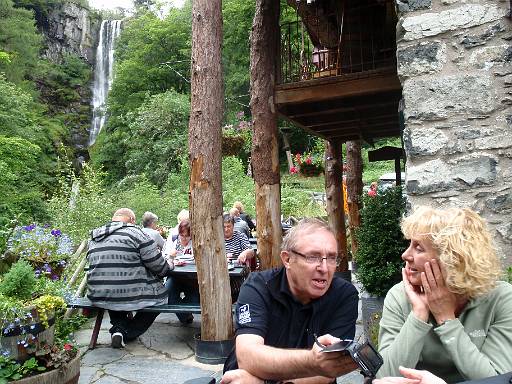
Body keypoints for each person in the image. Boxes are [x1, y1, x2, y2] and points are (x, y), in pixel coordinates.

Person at [377, 206, 512, 383]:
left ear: (452, 259)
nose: (405, 255)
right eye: (409, 244)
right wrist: (419, 314)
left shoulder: (501, 299)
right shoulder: (400, 296)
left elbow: (497, 379)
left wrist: (446, 319)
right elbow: (384, 376)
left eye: (418, 248)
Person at [222, 218, 359, 384]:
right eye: (313, 257)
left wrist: (264, 383)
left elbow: (329, 370)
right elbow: (248, 356)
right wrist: (314, 361)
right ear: (287, 259)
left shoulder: (344, 295)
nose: (324, 268)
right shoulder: (258, 286)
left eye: (331, 258)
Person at [87, 208, 174, 348]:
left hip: (97, 293)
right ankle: (127, 332)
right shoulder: (136, 233)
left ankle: (118, 329)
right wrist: (169, 264)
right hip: (127, 293)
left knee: (115, 289)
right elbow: (160, 267)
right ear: (132, 220)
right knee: (162, 299)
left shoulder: (94, 236)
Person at [164, 219, 196, 324]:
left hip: (191, 277)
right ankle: (185, 316)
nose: (184, 239)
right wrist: (171, 257)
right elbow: (163, 259)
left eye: (187, 236)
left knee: (196, 298)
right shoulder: (173, 240)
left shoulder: (196, 243)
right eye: (182, 236)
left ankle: (185, 315)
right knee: (168, 293)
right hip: (175, 276)